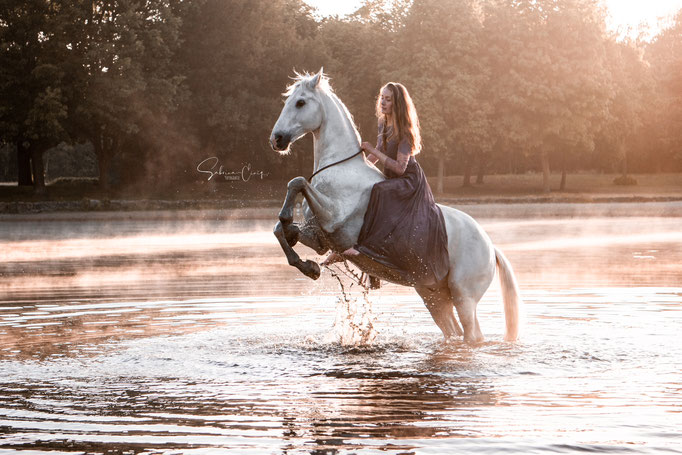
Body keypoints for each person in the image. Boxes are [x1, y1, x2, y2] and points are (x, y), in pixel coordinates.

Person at [323, 82, 449, 288]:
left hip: (408, 182)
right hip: (393, 178)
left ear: (397, 103)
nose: (383, 102)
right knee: (366, 187)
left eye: (388, 99)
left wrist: (374, 150)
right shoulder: (384, 123)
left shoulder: (406, 132)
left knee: (378, 190)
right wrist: (359, 168)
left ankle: (364, 250)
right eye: (381, 97)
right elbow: (378, 152)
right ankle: (362, 262)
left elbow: (400, 168)